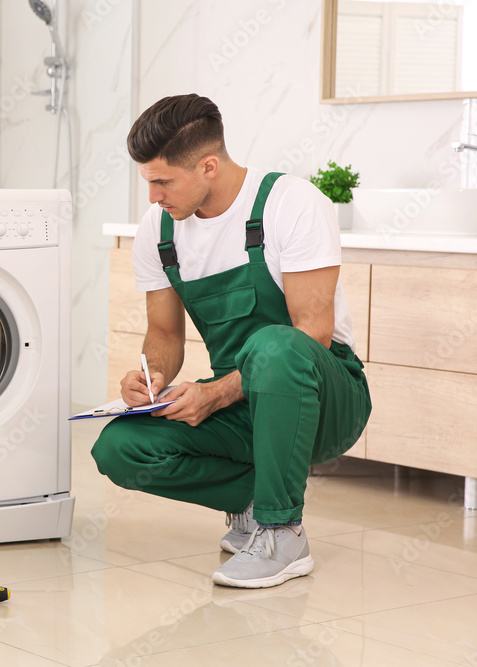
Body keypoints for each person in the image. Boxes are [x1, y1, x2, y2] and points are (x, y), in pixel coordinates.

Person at [90, 94, 372, 589]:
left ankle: (283, 533)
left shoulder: (292, 204)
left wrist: (217, 392)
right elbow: (163, 335)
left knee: (275, 345)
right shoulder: (158, 231)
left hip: (326, 398)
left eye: (162, 181)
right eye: (148, 182)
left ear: (209, 166)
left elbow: (313, 333)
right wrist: (150, 378)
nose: (154, 196)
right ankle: (252, 505)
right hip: (242, 400)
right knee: (120, 448)